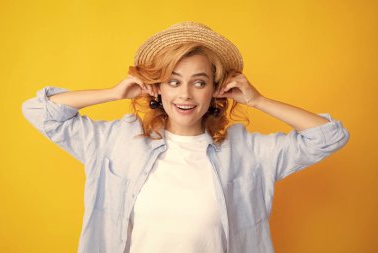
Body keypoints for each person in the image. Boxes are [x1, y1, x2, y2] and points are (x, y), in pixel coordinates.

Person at [21, 21, 350, 253]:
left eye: (199, 82)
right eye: (174, 81)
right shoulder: (116, 141)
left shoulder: (248, 151)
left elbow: (328, 136)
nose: (186, 95)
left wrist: (258, 101)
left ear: (216, 90)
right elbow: (39, 111)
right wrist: (111, 92)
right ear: (158, 88)